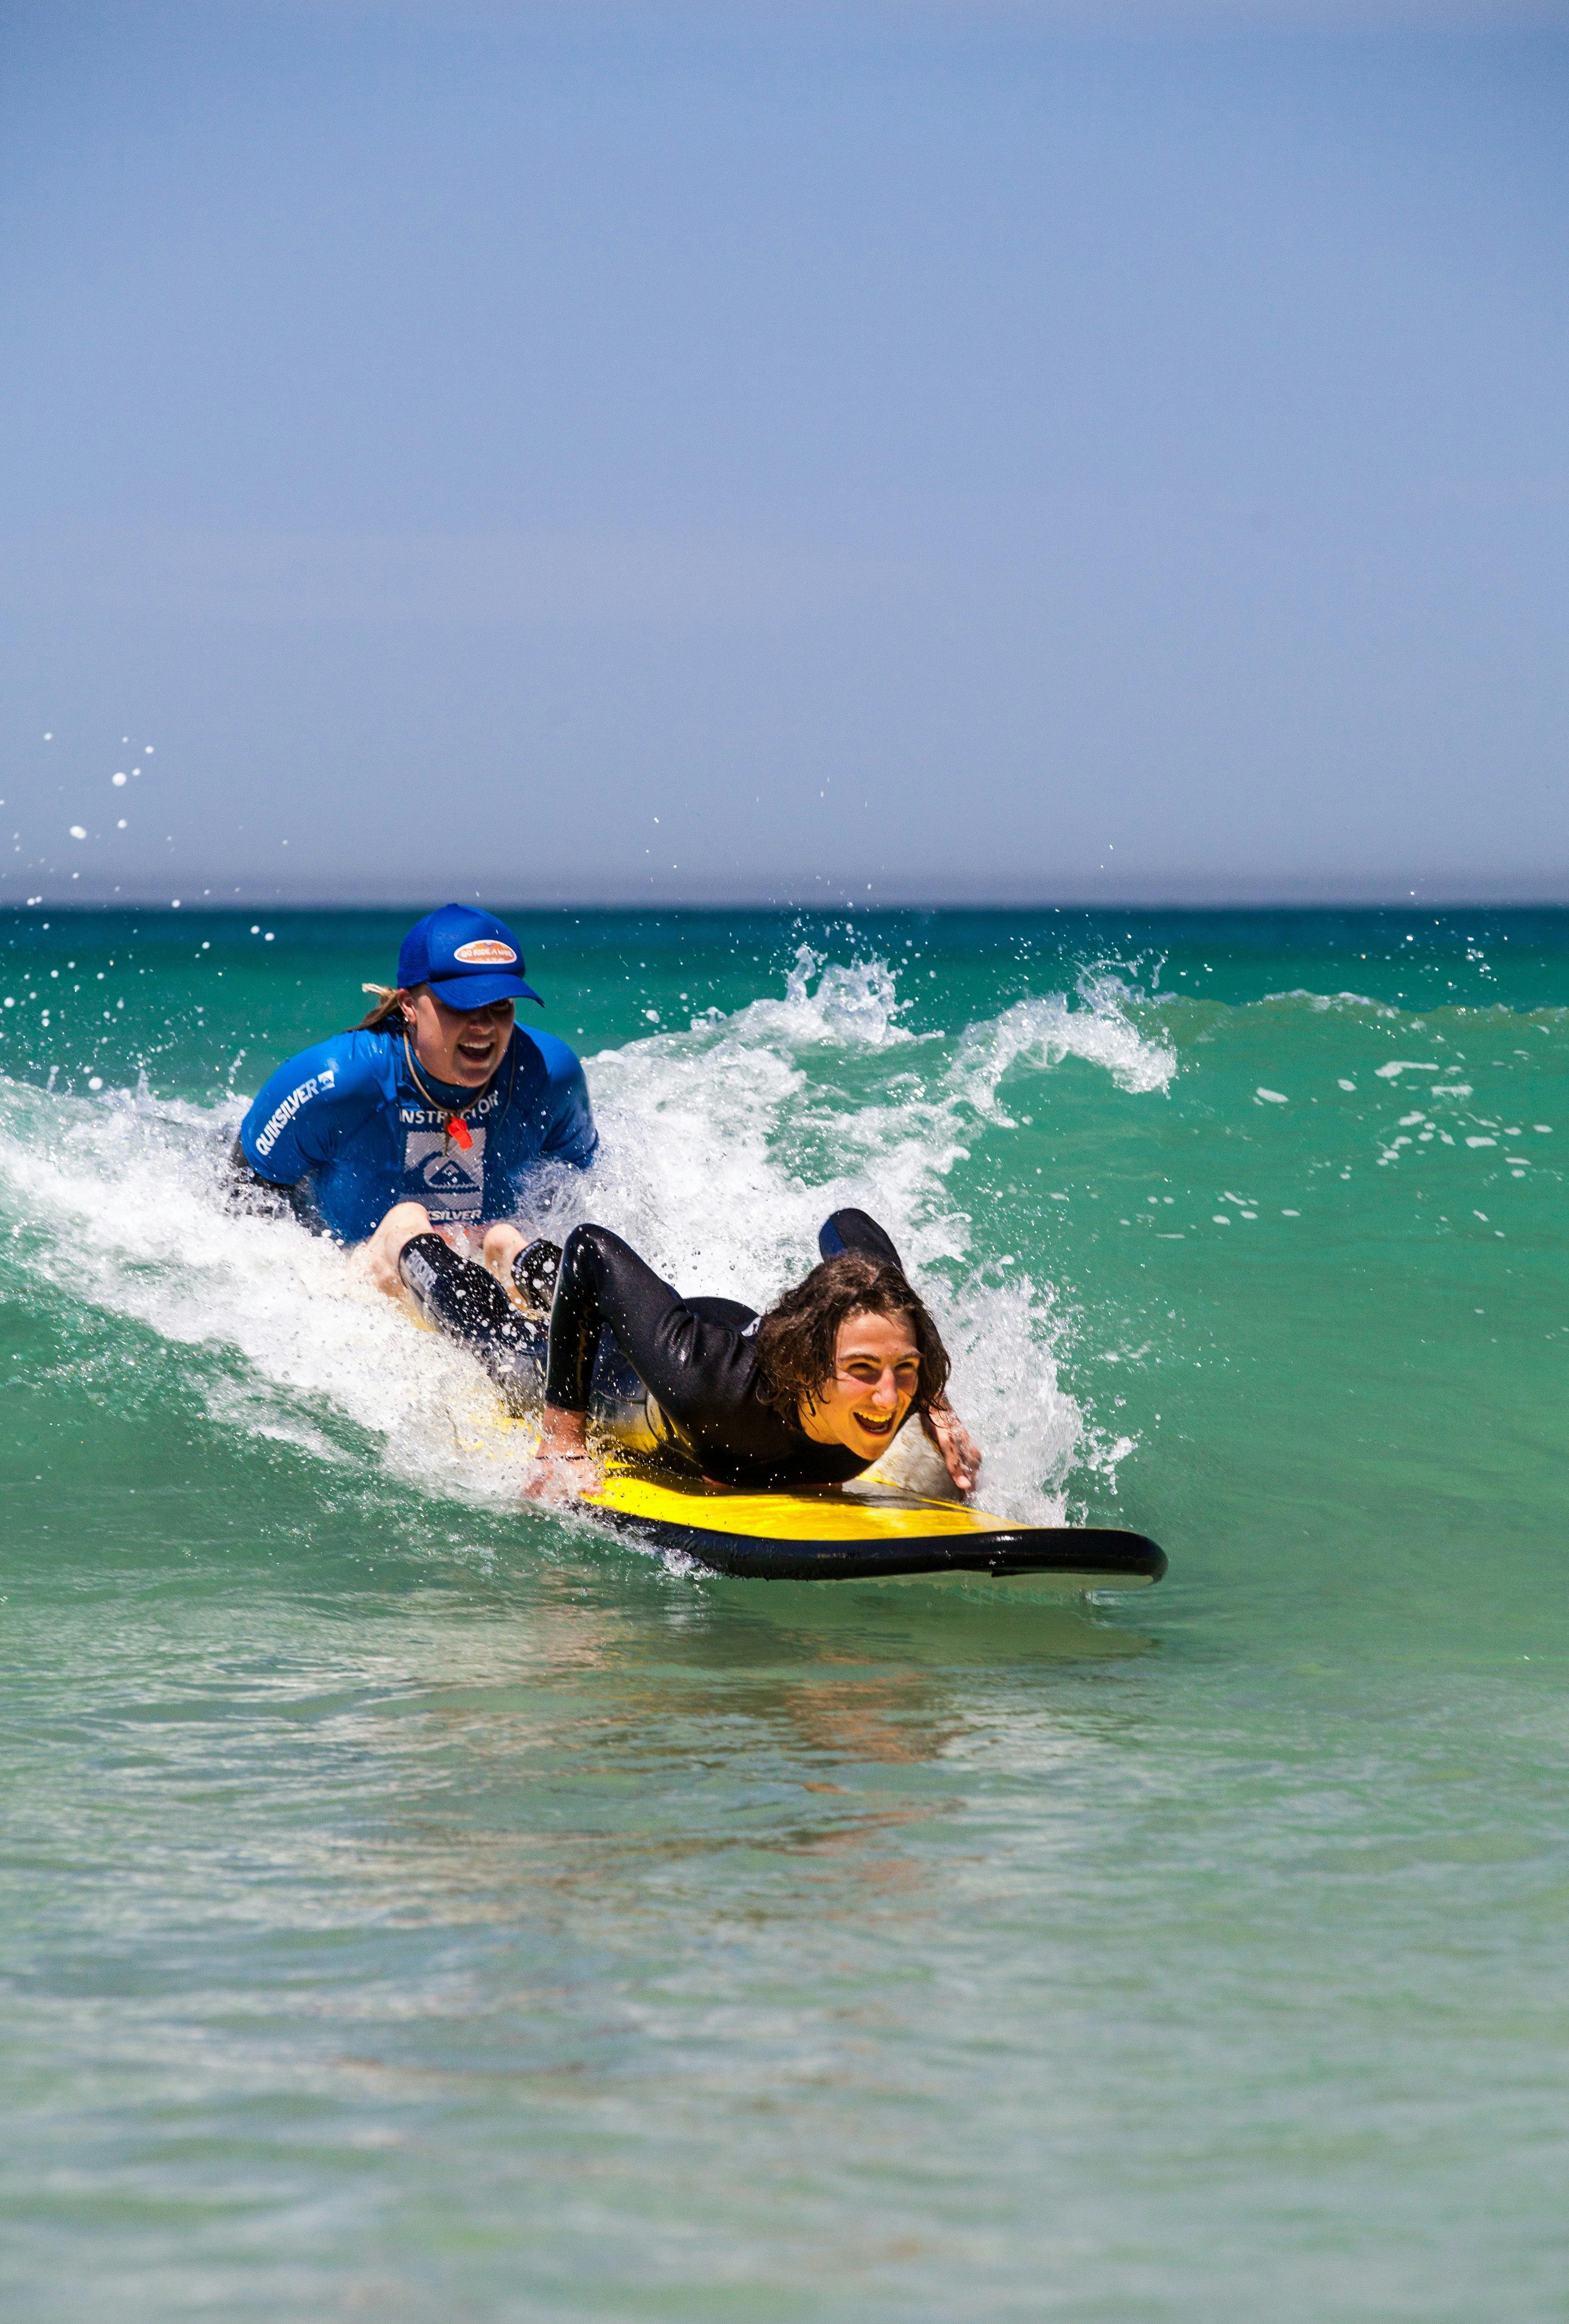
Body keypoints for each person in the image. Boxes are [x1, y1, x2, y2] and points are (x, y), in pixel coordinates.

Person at [381, 1202, 982, 1500]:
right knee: (505, 1349)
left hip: (721, 1330)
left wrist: (935, 1400)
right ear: (809, 1365)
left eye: (906, 1368)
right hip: (640, 1375)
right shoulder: (708, 1392)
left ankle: (516, 1251)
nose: (888, 1397)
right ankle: (410, 1241)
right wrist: (562, 1443)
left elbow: (846, 1223)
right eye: (862, 1370)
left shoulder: (901, 1374)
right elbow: (592, 1249)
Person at [232, 904, 597, 1245]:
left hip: (488, 1257)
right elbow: (244, 1199)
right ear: (410, 1005)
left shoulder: (550, 1075)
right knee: (407, 1228)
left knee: (508, 1240)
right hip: (360, 1267)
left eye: (500, 1004)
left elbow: (581, 1190)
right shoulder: (336, 1081)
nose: (485, 1025)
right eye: (461, 1004)